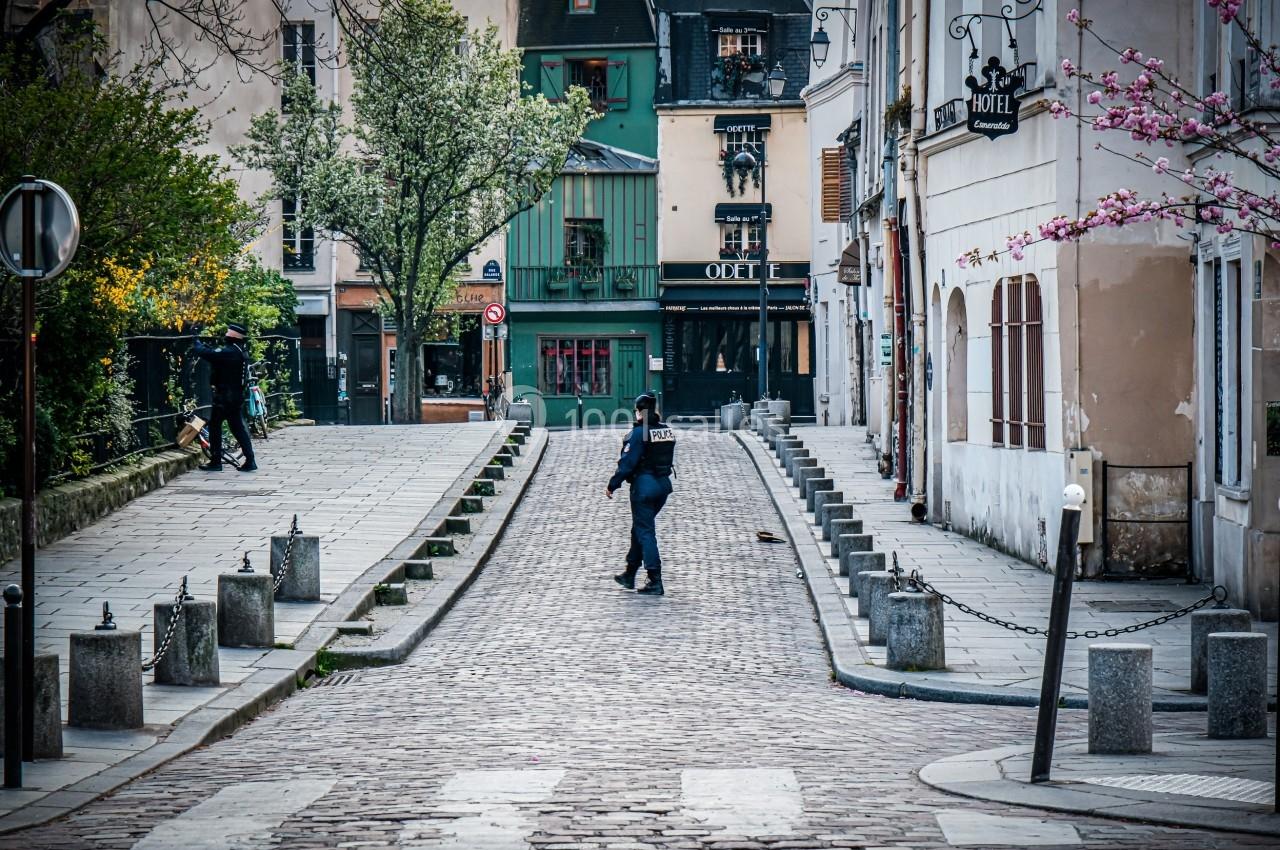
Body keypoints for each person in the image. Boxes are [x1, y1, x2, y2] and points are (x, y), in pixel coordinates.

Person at [606, 392, 676, 595]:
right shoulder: (665, 431)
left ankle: (655, 579)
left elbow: (627, 464)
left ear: (638, 412)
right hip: (662, 486)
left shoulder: (638, 433)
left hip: (644, 488)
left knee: (645, 531)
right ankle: (629, 573)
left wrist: (612, 484)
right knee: (640, 528)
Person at [193, 323, 258, 472]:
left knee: (215, 426)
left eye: (228, 333)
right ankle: (250, 459)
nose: (226, 335)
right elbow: (217, 354)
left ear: (233, 336)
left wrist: (196, 342)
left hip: (225, 397)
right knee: (237, 428)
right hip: (235, 396)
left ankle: (216, 460)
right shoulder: (240, 351)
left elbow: (209, 354)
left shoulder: (231, 352)